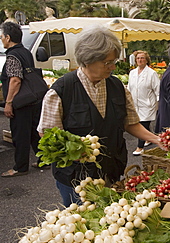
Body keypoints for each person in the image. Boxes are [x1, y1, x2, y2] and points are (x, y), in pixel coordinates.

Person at [37, 25, 161, 206]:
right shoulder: (61, 91)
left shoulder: (117, 87)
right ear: (87, 59)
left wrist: (157, 139)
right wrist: (73, 151)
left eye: (113, 61)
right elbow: (47, 136)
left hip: (111, 171)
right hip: (75, 180)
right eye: (106, 62)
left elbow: (131, 123)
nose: (112, 67)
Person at [0, 22, 42, 177]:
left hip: (21, 101)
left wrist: (9, 103)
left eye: (2, 37)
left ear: (8, 37)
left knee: (20, 135)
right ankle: (43, 159)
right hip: (33, 98)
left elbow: (15, 80)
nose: (2, 40)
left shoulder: (12, 56)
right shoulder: (25, 52)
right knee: (33, 132)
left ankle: (20, 167)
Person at [127, 50, 160, 156]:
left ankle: (140, 147)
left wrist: (159, 104)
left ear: (146, 60)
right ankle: (148, 139)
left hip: (148, 104)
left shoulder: (152, 73)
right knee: (143, 124)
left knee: (142, 124)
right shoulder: (132, 73)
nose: (140, 60)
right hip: (135, 104)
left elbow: (157, 90)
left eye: (142, 58)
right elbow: (129, 88)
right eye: (138, 58)